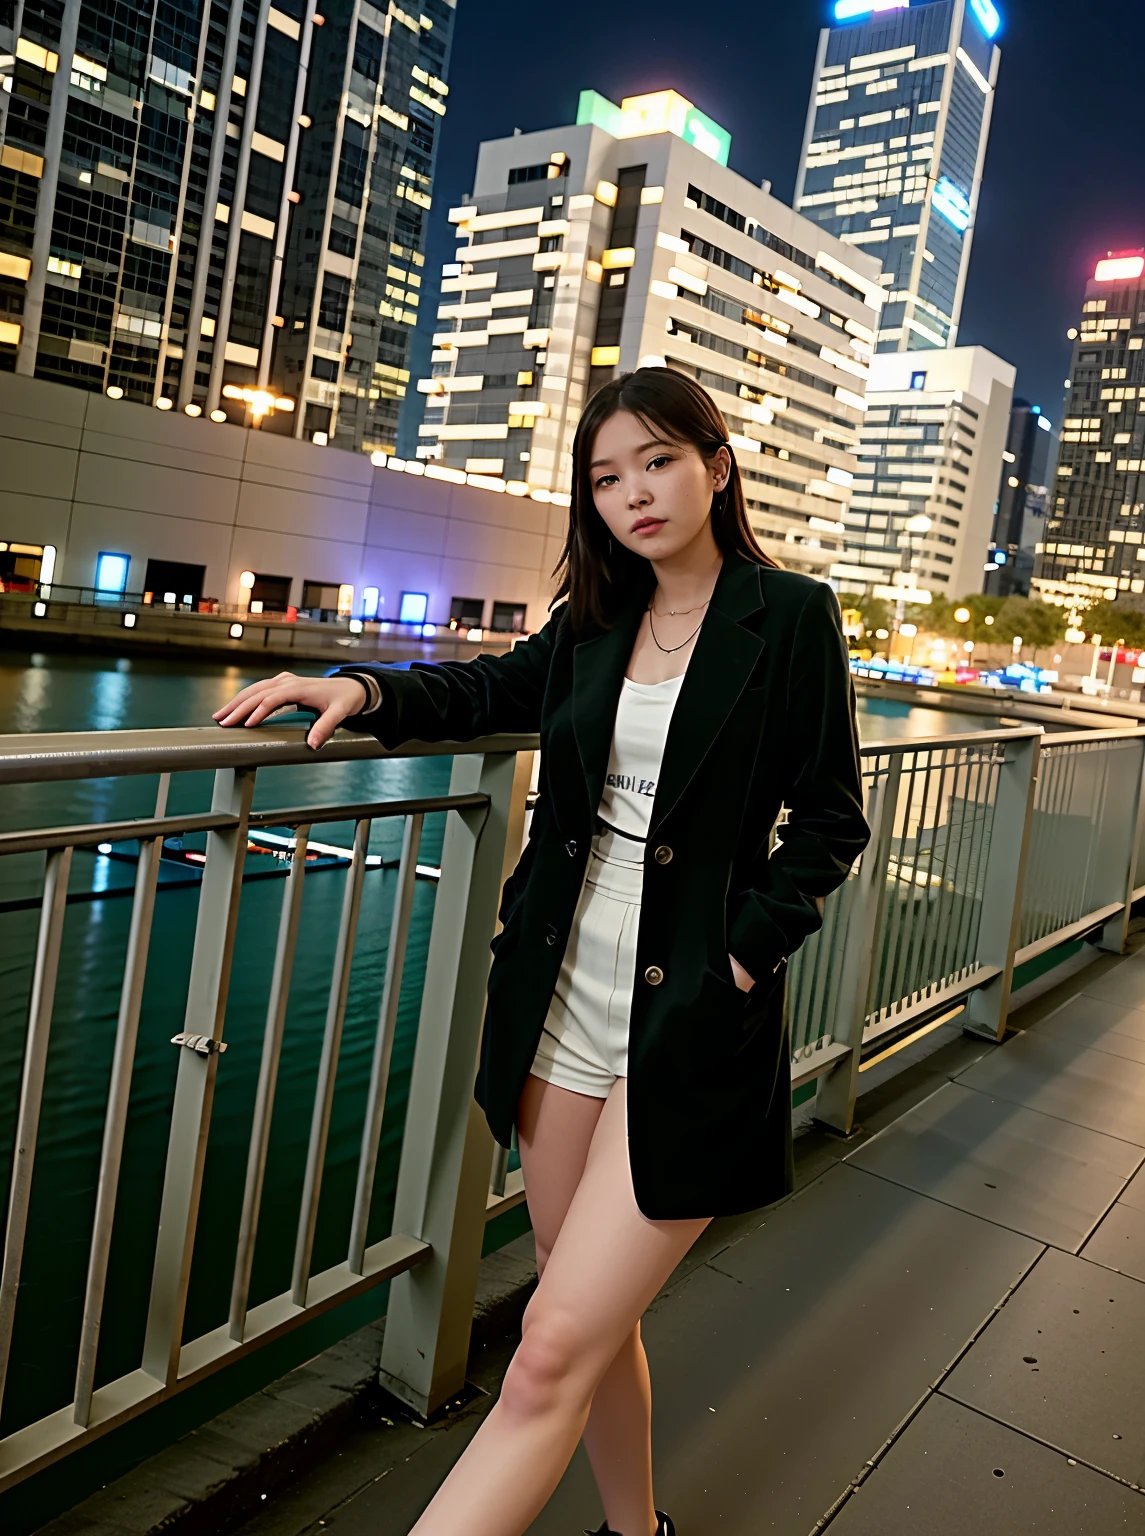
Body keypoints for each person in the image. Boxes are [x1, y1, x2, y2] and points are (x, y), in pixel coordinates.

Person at [214, 367, 870, 1536]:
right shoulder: (594, 623)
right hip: (561, 1000)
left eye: (660, 461)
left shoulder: (792, 617)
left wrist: (742, 954)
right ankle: (639, 1533)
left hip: (690, 1017)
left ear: (718, 467)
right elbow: (480, 690)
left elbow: (829, 821)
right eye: (607, 477)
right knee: (585, 1318)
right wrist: (357, 685)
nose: (636, 494)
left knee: (543, 1351)